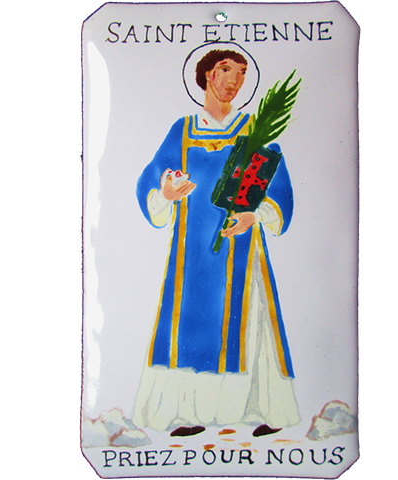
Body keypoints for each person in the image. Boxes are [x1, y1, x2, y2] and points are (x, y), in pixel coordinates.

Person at [133, 49, 300, 438]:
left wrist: (254, 215)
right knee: (187, 324)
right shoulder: (185, 129)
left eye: (241, 72)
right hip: (191, 250)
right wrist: (166, 192)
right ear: (208, 75)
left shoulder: (254, 129)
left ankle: (262, 408)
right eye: (226, 70)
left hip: (241, 245)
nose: (235, 80)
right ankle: (189, 412)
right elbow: (152, 177)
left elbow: (278, 188)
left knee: (252, 321)